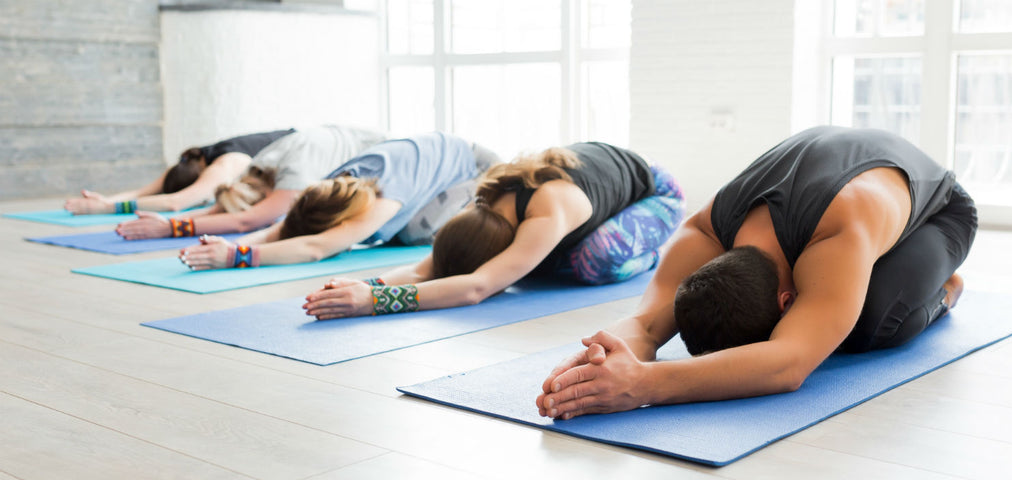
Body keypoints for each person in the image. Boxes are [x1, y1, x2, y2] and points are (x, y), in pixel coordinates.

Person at [532, 126, 977, 420]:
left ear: (789, 301)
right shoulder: (707, 230)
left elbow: (788, 364)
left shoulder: (837, 233)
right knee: (836, 314)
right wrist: (591, 364)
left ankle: (945, 289)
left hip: (940, 209)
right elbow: (647, 326)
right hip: (844, 174)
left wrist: (643, 385)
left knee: (866, 325)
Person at [301, 141, 686, 319]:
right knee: (536, 266)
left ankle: (648, 253)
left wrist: (373, 305)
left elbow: (476, 286)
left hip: (656, 193)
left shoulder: (548, 211)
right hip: (588, 191)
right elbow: (428, 268)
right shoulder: (483, 200)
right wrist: (368, 285)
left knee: (592, 262)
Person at [177, 131, 500, 270]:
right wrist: (229, 245)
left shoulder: (384, 198)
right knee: (391, 235)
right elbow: (284, 229)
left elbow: (317, 247)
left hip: (478, 170)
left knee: (411, 234)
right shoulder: (333, 185)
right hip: (428, 167)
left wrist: (237, 257)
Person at [114, 125, 387, 240]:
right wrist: (169, 222)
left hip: (386, 159)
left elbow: (247, 221)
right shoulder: (259, 166)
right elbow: (223, 210)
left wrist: (171, 227)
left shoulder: (292, 172)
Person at [64, 128, 295, 215]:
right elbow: (143, 192)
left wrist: (108, 208)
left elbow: (176, 202)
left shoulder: (225, 164)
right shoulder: (189, 161)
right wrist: (105, 200)